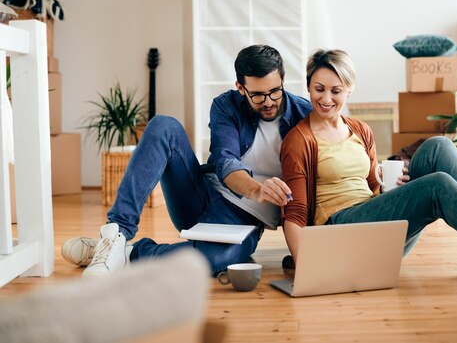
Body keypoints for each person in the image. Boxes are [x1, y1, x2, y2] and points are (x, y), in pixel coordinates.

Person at [280, 49, 457, 286]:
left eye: (335, 90)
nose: (326, 99)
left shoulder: (360, 129)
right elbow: (294, 213)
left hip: (374, 232)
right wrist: (309, 270)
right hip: (340, 236)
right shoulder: (299, 141)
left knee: (438, 146)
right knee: (436, 186)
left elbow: (372, 188)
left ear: (350, 90)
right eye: (318, 89)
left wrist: (397, 191)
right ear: (308, 87)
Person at [62, 45, 312, 277]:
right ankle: (116, 233)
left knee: (214, 260)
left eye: (275, 91)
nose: (268, 102)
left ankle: (125, 253)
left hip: (245, 221)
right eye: (257, 95)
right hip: (202, 196)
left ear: (282, 80)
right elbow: (226, 163)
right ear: (240, 87)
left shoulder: (305, 115)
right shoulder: (226, 105)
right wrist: (258, 189)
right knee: (163, 126)